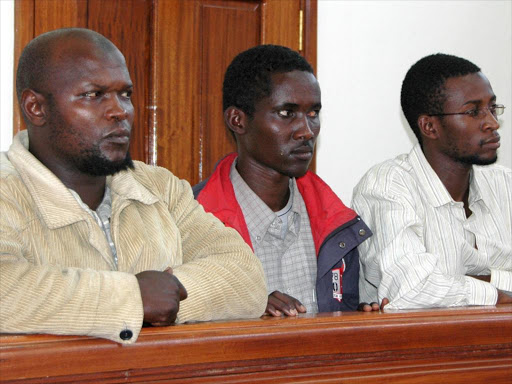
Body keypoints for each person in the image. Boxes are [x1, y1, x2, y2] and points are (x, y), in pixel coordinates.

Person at [0, 28, 267, 344]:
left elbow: (246, 276)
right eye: (93, 95)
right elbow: (7, 289)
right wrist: (133, 299)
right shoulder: (8, 190)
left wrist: (168, 297)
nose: (119, 111)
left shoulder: (158, 187)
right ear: (36, 108)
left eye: (125, 94)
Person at [193, 45, 374, 316]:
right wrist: (243, 310)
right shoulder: (192, 218)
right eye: (287, 113)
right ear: (238, 120)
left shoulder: (336, 221)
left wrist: (358, 319)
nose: (306, 131)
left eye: (313, 113)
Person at [352, 53, 512, 309]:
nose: (492, 123)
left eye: (493, 108)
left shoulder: (505, 184)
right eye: (473, 112)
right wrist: (496, 294)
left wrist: (486, 279)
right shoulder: (387, 186)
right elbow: (412, 290)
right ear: (429, 127)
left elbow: (432, 288)